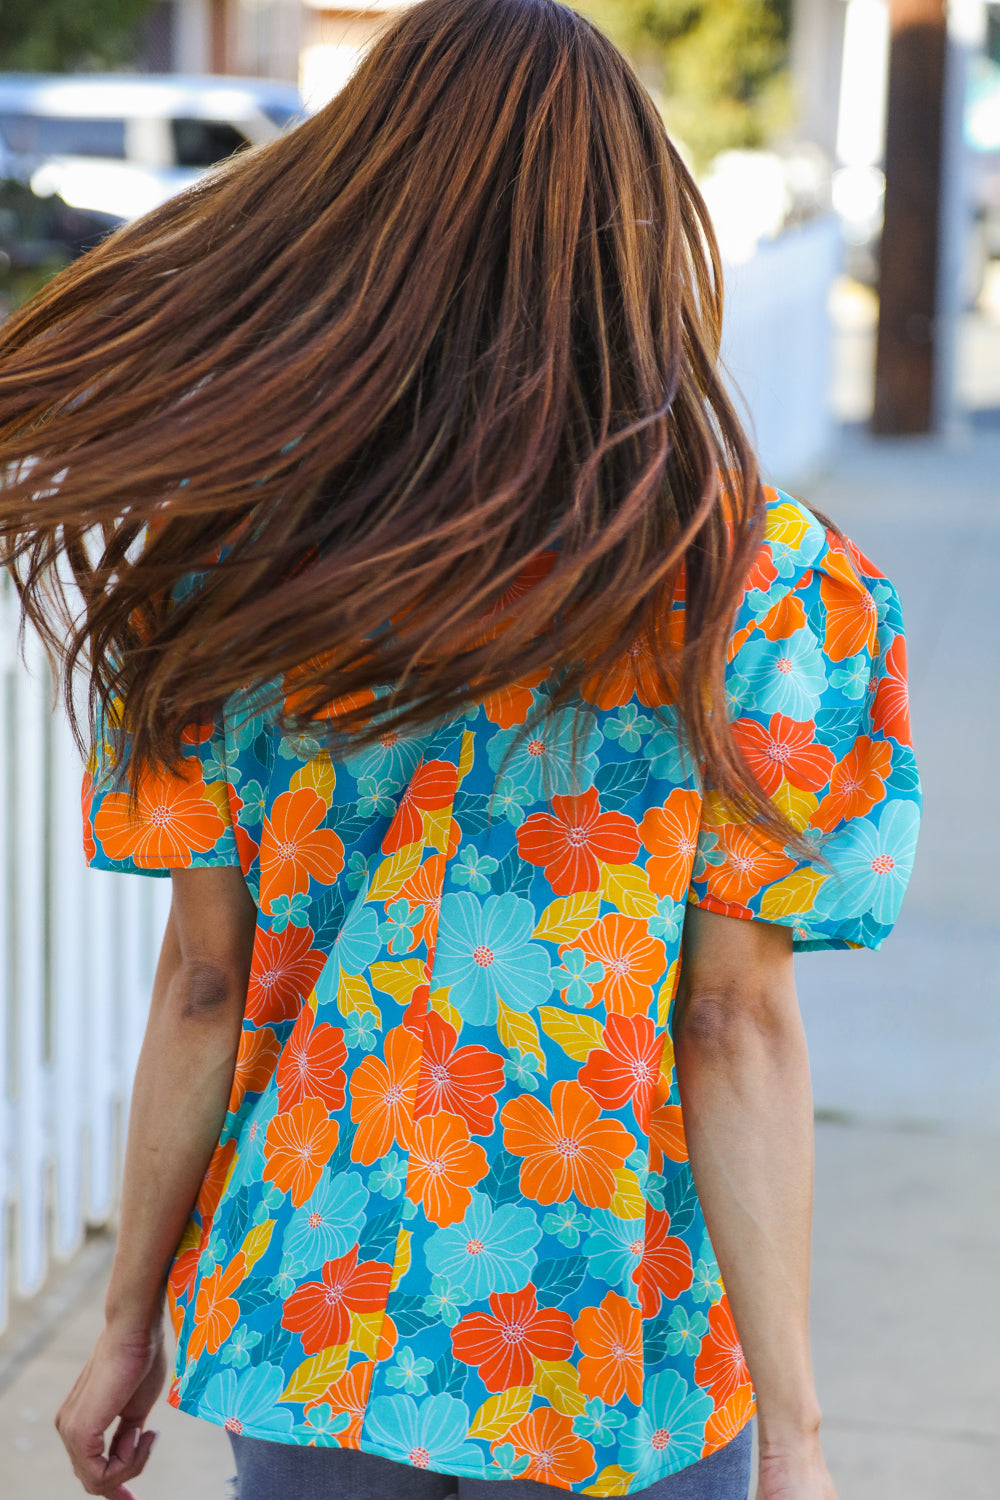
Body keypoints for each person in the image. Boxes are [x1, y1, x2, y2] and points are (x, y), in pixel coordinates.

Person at [0, 2, 920, 1498]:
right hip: (616, 1358)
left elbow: (206, 984)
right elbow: (735, 1025)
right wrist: (797, 1437)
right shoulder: (763, 588)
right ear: (636, 235)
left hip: (316, 1326)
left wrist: (125, 1325)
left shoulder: (234, 559)